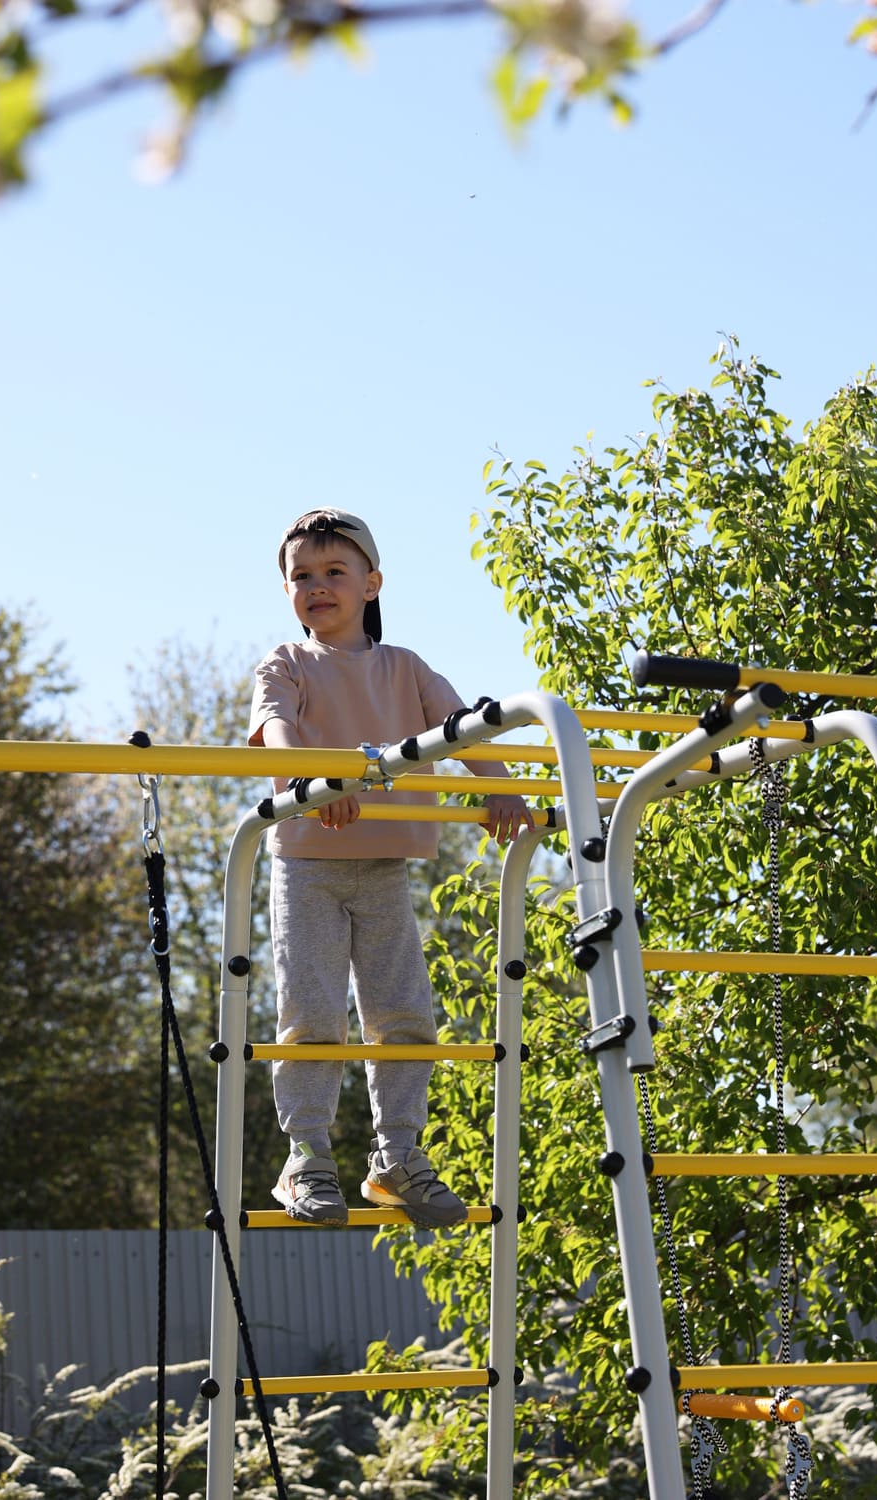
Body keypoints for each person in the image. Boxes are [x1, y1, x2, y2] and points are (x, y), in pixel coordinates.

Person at [248, 508, 533, 1229]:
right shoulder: (286, 662)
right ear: (287, 591)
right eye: (301, 576)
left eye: (333, 572)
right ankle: (306, 1156)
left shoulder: (405, 667)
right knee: (313, 1013)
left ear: (371, 584)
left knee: (403, 1013)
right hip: (309, 864)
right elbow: (278, 729)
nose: (317, 586)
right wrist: (313, 785)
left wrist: (502, 791)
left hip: (383, 866)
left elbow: (462, 728)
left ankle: (398, 1156)